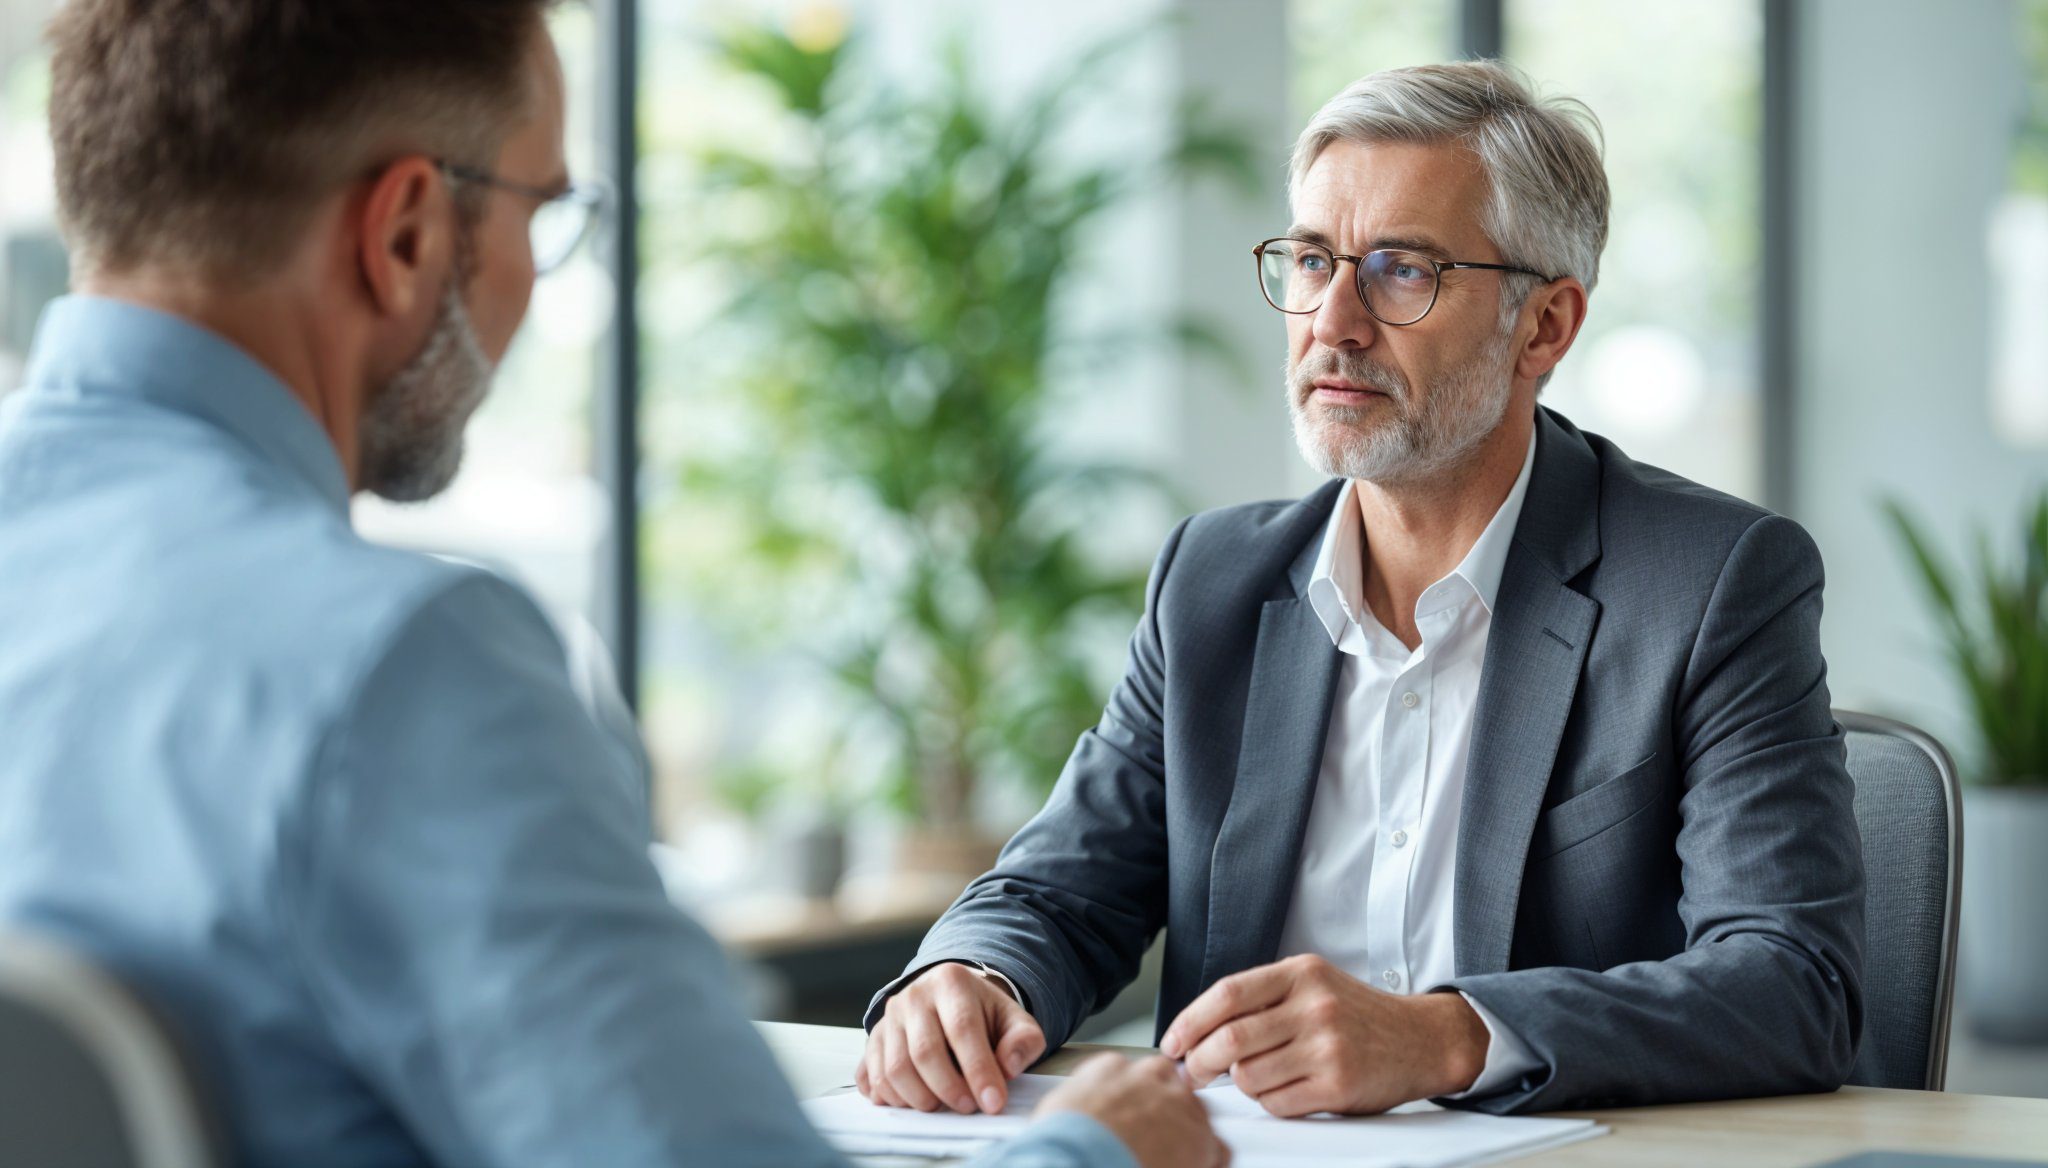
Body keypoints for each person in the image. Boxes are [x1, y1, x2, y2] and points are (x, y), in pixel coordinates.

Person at [0, 3, 1228, 1166]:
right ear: (407, 235)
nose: (535, 275)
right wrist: (1095, 1147)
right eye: (544, 210)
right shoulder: (395, 665)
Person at [860, 60, 1865, 1120]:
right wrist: (970, 977)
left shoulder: (1712, 580)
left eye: (1400, 270)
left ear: (1544, 327)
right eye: (1308, 261)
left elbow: (1794, 982)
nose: (1330, 321)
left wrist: (1448, 1034)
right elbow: (1058, 890)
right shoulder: (1210, 580)